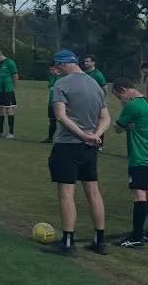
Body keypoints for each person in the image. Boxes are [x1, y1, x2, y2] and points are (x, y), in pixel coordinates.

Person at [46, 50, 109, 255]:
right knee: (93, 191)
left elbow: (61, 116)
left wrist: (82, 135)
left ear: (64, 64)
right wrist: (95, 135)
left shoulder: (61, 84)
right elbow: (105, 117)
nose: (56, 71)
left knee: (66, 192)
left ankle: (67, 242)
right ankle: (100, 240)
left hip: (68, 144)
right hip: (90, 147)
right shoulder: (95, 84)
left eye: (57, 66)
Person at [112, 80, 148, 249]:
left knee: (139, 194)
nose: (121, 101)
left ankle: (137, 237)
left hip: (140, 156)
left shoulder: (132, 107)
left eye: (120, 97)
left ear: (124, 90)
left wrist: (125, 127)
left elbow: (117, 127)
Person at [0, 48, 18, 139]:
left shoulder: (10, 63)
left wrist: (13, 87)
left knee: (9, 110)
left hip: (7, 90)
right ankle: (0, 132)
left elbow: (15, 76)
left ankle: (11, 133)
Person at [43, 64, 60, 143]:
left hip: (59, 103)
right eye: (50, 70)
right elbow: (50, 87)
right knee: (52, 120)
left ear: (57, 69)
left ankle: (61, 139)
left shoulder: (63, 77)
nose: (51, 71)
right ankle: (50, 138)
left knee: (62, 121)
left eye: (53, 70)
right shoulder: (51, 77)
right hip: (51, 102)